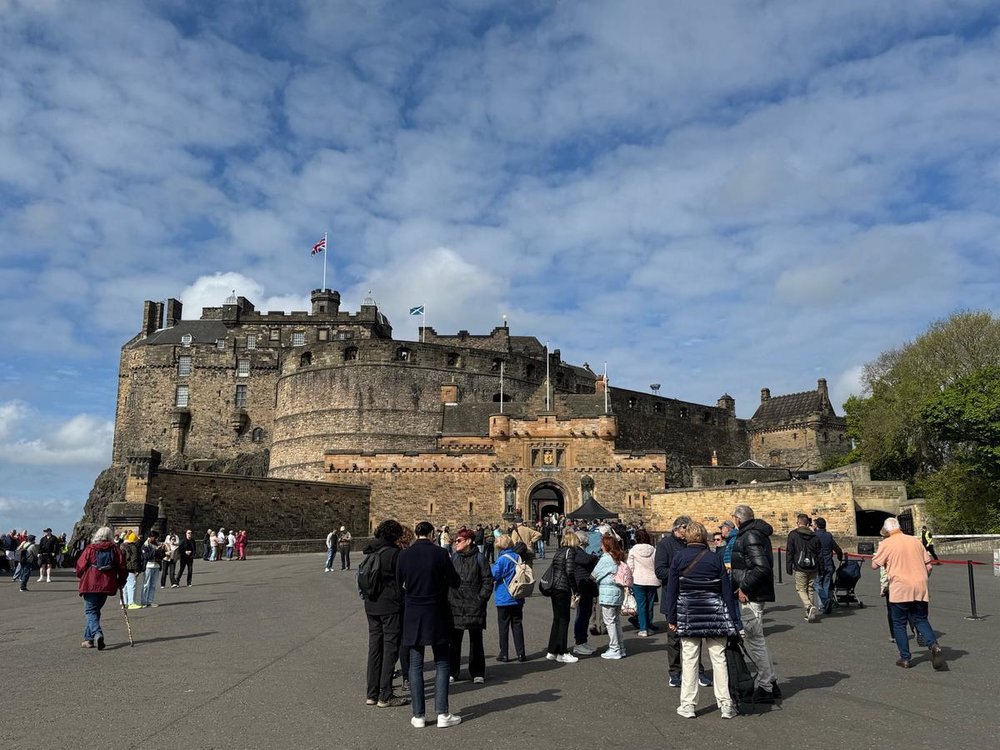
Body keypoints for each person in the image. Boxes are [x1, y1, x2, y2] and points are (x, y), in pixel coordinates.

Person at [666, 521, 742, 719]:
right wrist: (732, 619)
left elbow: (672, 591)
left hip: (689, 613)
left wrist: (672, 617)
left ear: (687, 537)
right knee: (719, 658)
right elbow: (726, 590)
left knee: (690, 659)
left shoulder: (679, 558)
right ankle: (725, 703)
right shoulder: (714, 558)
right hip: (714, 613)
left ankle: (688, 705)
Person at [396, 521, 462, 728]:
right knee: (442, 661)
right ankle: (442, 713)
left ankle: (419, 716)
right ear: (432, 533)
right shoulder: (440, 554)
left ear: (416, 534)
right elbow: (455, 581)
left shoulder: (404, 555)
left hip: (413, 612)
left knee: (415, 665)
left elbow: (398, 585)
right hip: (437, 611)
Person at [872, 517, 945, 670]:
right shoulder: (915, 541)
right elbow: (929, 566)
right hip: (919, 585)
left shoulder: (886, 543)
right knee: (921, 619)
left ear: (886, 530)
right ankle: (933, 645)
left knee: (899, 623)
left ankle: (905, 657)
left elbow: (874, 565)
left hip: (900, 587)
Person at [730, 504, 780, 701]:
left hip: (752, 595)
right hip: (754, 593)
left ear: (738, 519)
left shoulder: (750, 535)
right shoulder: (755, 533)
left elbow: (761, 567)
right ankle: (770, 681)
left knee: (755, 640)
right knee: (756, 639)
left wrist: (744, 587)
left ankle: (766, 686)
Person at [656, 517, 709, 686]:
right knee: (674, 638)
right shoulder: (665, 545)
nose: (688, 532)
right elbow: (660, 571)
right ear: (677, 529)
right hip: (673, 596)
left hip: (693, 596)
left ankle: (697, 670)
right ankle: (675, 672)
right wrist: (680, 574)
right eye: (686, 529)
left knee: (695, 636)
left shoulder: (695, 544)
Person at [363, 519, 409, 708]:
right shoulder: (394, 554)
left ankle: (372, 693)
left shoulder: (370, 550)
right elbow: (403, 579)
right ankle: (386, 694)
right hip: (390, 606)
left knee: (375, 648)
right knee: (390, 648)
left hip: (371, 604)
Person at [448, 528, 493, 683]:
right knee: (454, 640)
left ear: (468, 541)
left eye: (458, 540)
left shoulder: (480, 558)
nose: (455, 543)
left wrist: (481, 598)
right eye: (455, 540)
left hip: (474, 603)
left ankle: (477, 672)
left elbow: (488, 580)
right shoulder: (453, 557)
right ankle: (453, 671)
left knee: (476, 639)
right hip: (455, 603)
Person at [75, 526, 127, 649]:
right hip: (106, 584)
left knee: (90, 611)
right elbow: (122, 567)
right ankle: (89, 639)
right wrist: (121, 581)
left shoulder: (90, 549)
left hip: (90, 583)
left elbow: (80, 566)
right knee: (95, 610)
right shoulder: (115, 550)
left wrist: (81, 575)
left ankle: (97, 633)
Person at [543, 529, 579, 664]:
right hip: (563, 589)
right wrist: (574, 589)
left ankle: (552, 650)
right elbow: (569, 572)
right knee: (564, 620)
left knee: (557, 619)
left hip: (554, 588)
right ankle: (562, 652)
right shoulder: (571, 552)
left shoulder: (559, 551)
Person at [491, 534, 527, 663]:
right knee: (517, 624)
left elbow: (494, 575)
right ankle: (521, 653)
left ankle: (504, 653)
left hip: (504, 596)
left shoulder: (501, 560)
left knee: (504, 626)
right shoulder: (517, 557)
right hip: (517, 595)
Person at [591, 534, 627, 660]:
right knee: (616, 621)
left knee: (610, 622)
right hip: (618, 592)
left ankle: (614, 648)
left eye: (602, 544)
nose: (600, 546)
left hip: (607, 593)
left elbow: (594, 575)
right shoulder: (619, 557)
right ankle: (620, 647)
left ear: (606, 546)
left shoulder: (606, 558)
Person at [567, 529, 599, 656]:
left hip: (586, 588)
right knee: (581, 615)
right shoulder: (576, 551)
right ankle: (579, 643)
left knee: (586, 614)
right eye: (586, 541)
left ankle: (583, 641)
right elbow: (585, 560)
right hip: (581, 588)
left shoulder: (580, 551)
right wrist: (594, 557)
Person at [786, 513, 822, 622]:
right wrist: (821, 568)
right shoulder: (815, 536)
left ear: (799, 523)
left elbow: (790, 552)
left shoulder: (793, 535)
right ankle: (810, 613)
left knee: (801, 589)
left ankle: (809, 606)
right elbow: (819, 554)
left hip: (800, 566)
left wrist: (789, 566)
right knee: (810, 589)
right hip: (813, 566)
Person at [627, 529, 659, 637]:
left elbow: (630, 567)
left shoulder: (633, 550)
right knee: (650, 605)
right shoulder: (654, 550)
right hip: (652, 579)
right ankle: (649, 626)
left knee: (641, 605)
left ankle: (643, 628)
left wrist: (629, 580)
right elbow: (656, 564)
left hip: (638, 579)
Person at [812, 517, 844, 614]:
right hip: (828, 563)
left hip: (818, 564)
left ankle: (824, 603)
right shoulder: (828, 536)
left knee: (817, 584)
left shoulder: (814, 536)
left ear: (817, 525)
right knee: (826, 584)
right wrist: (840, 557)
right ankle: (825, 605)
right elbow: (837, 549)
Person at [140, 533, 163, 607]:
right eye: (155, 538)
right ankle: (144, 601)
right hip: (148, 566)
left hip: (156, 565)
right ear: (150, 537)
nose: (156, 539)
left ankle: (150, 601)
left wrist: (162, 550)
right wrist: (155, 550)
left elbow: (162, 556)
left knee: (153, 585)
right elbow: (146, 556)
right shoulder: (145, 546)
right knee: (146, 584)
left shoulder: (157, 544)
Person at [121, 531, 143, 608]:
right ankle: (131, 603)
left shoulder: (122, 546)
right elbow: (134, 560)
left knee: (125, 586)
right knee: (132, 585)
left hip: (123, 568)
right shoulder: (133, 547)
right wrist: (137, 570)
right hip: (131, 568)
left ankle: (124, 602)